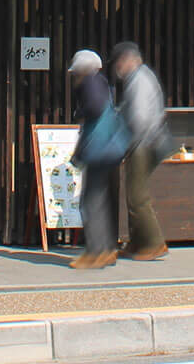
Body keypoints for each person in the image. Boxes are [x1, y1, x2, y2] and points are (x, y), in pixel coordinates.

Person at [111, 41, 169, 260]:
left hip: (143, 143)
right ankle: (137, 244)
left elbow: (140, 117)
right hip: (147, 141)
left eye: (119, 62)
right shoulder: (140, 77)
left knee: (137, 196)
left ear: (128, 59)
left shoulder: (139, 80)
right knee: (133, 194)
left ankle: (154, 244)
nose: (117, 68)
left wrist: (126, 139)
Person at [68, 49, 118, 269]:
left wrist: (79, 112)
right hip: (108, 148)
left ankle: (97, 252)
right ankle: (105, 250)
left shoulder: (90, 83)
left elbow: (94, 108)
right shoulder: (103, 82)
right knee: (97, 201)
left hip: (98, 149)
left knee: (90, 202)